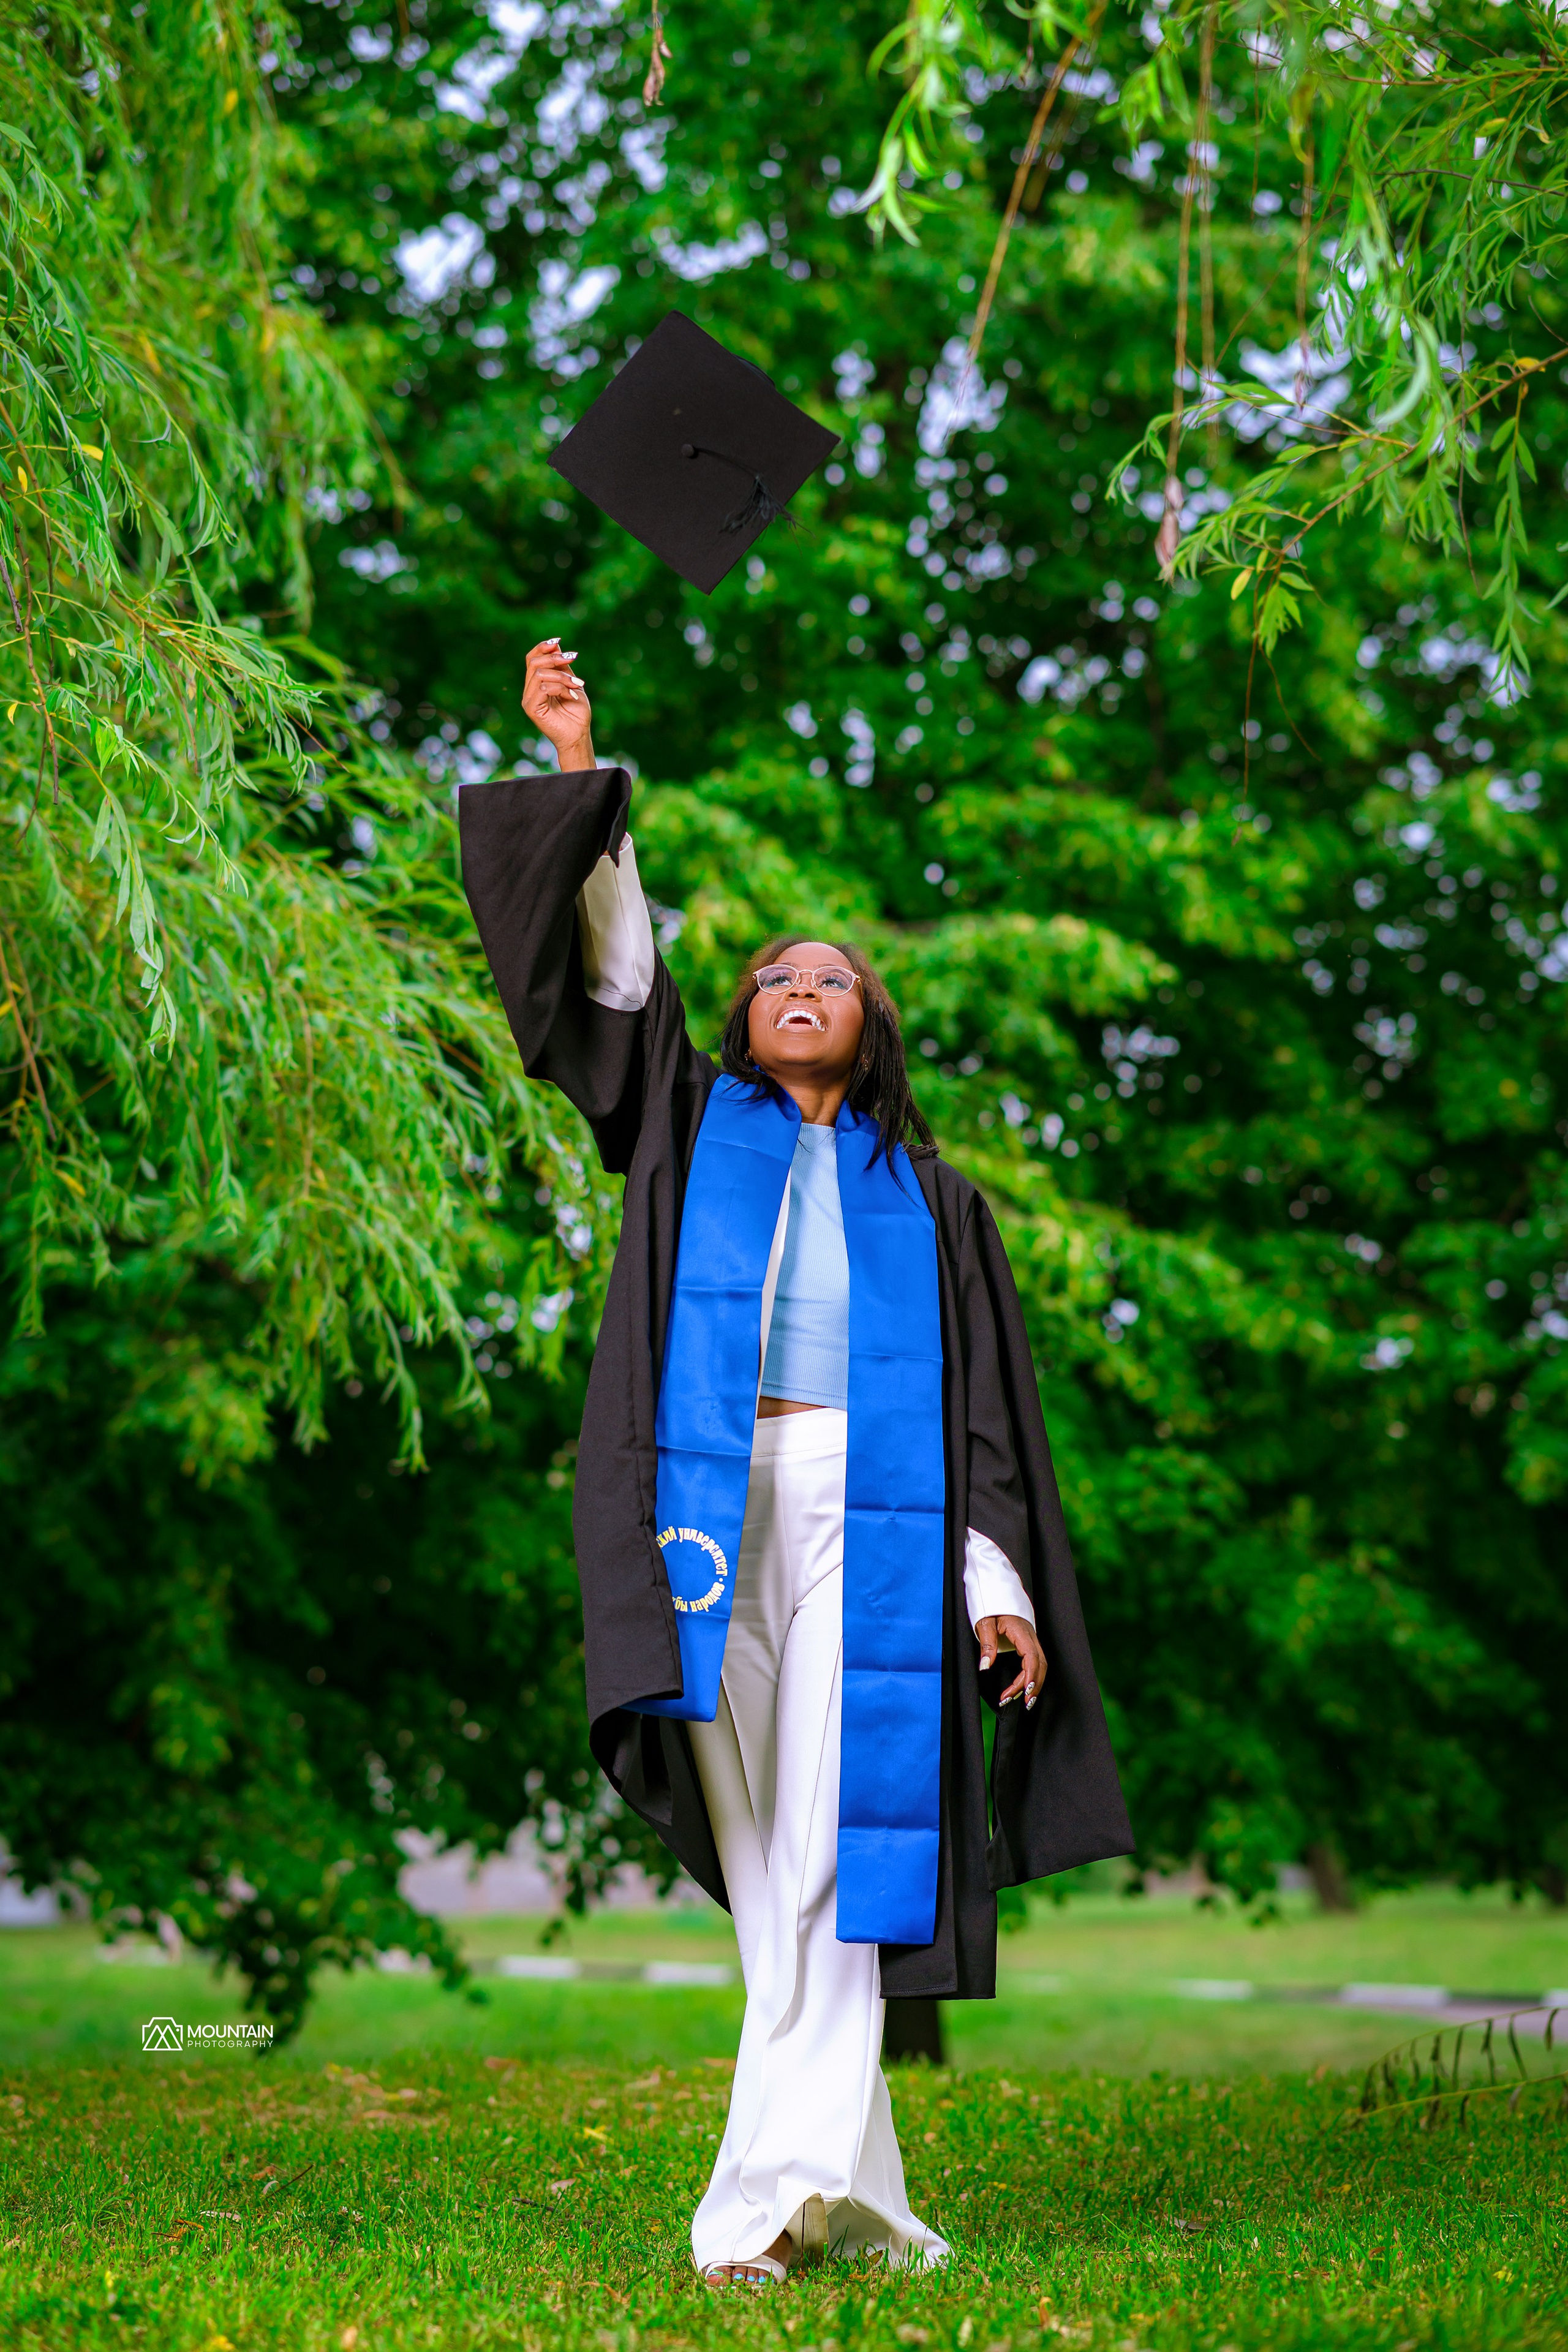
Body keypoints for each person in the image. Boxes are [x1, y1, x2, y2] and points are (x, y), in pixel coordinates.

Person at [460, 637, 1133, 2287]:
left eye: (828, 975)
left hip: (876, 1525)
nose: (797, 987)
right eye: (771, 979)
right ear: (750, 1025)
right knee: (770, 1864)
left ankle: (758, 2211)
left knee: (840, 1842)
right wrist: (575, 767)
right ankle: (872, 2203)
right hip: (707, 1511)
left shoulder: (937, 1200)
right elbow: (614, 988)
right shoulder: (693, 1130)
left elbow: (982, 1428)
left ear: (870, 1021)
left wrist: (994, 1583)